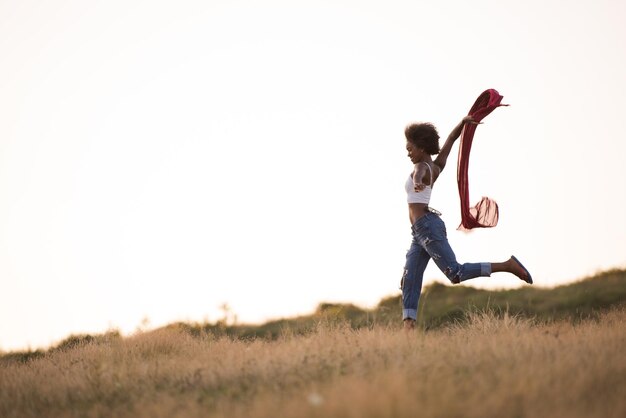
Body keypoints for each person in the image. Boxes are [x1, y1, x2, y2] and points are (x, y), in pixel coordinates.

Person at [401, 116, 532, 330]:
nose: (408, 153)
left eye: (410, 149)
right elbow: (451, 141)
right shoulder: (436, 166)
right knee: (410, 278)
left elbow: (419, 175)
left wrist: (417, 183)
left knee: (455, 273)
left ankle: (508, 265)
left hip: (427, 228)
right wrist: (462, 124)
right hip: (420, 231)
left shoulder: (423, 168)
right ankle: (408, 327)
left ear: (422, 147)